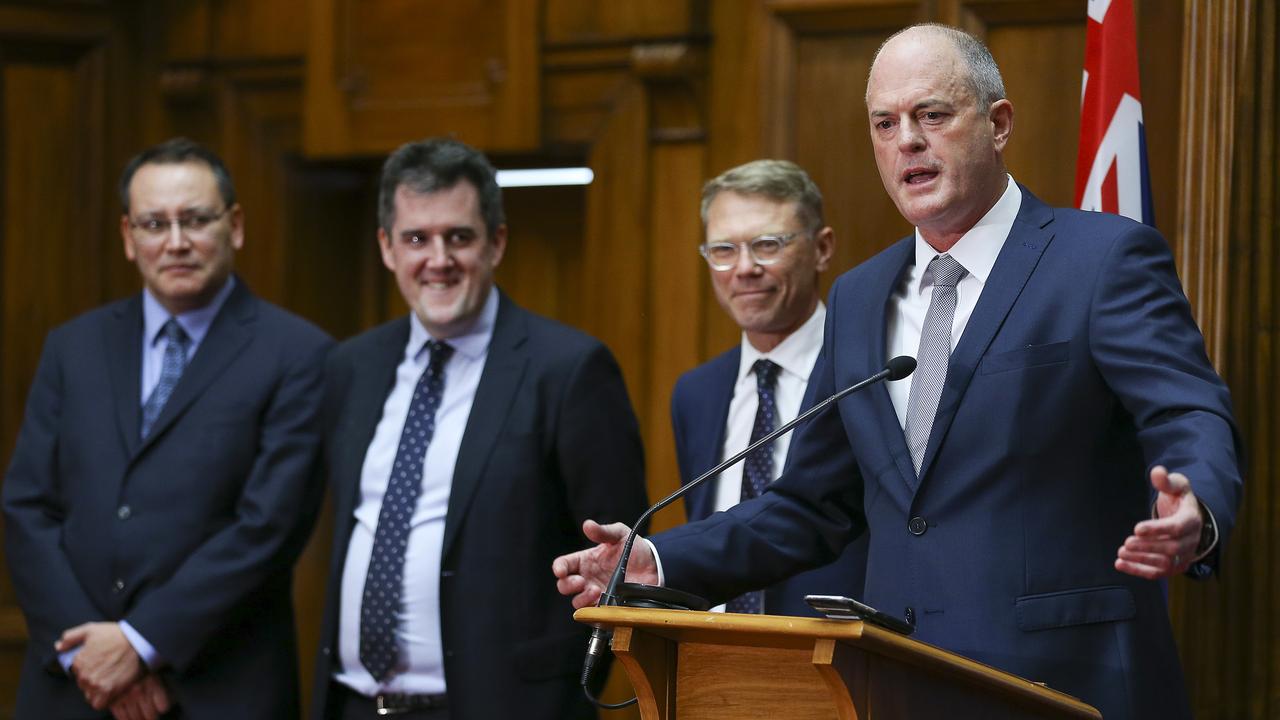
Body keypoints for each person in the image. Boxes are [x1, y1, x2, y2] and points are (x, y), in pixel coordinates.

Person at [554, 24, 1242, 720]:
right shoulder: (857, 297)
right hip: (899, 685)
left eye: (932, 115)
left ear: (998, 123)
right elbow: (811, 504)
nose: (906, 140)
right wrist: (660, 560)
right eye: (885, 123)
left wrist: (1198, 505)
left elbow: (1188, 412)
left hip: (1065, 683)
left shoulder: (1100, 259)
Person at [311, 138, 648, 720]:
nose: (437, 259)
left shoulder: (568, 370)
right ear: (387, 248)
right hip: (353, 704)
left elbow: (619, 555)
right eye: (417, 238)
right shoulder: (351, 368)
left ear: (496, 242)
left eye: (459, 237)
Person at [3, 137, 332, 718]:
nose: (175, 242)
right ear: (129, 238)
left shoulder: (301, 355)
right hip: (72, 687)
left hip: (216, 688)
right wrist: (93, 656)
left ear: (234, 226)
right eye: (155, 224)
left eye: (196, 220)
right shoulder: (73, 347)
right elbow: (28, 507)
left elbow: (267, 528)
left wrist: (138, 644)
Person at [674, 159, 866, 616]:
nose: (744, 268)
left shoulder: (865, 375)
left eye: (767, 245)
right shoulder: (695, 393)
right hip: (717, 661)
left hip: (838, 662)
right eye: (723, 250)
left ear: (822, 248)